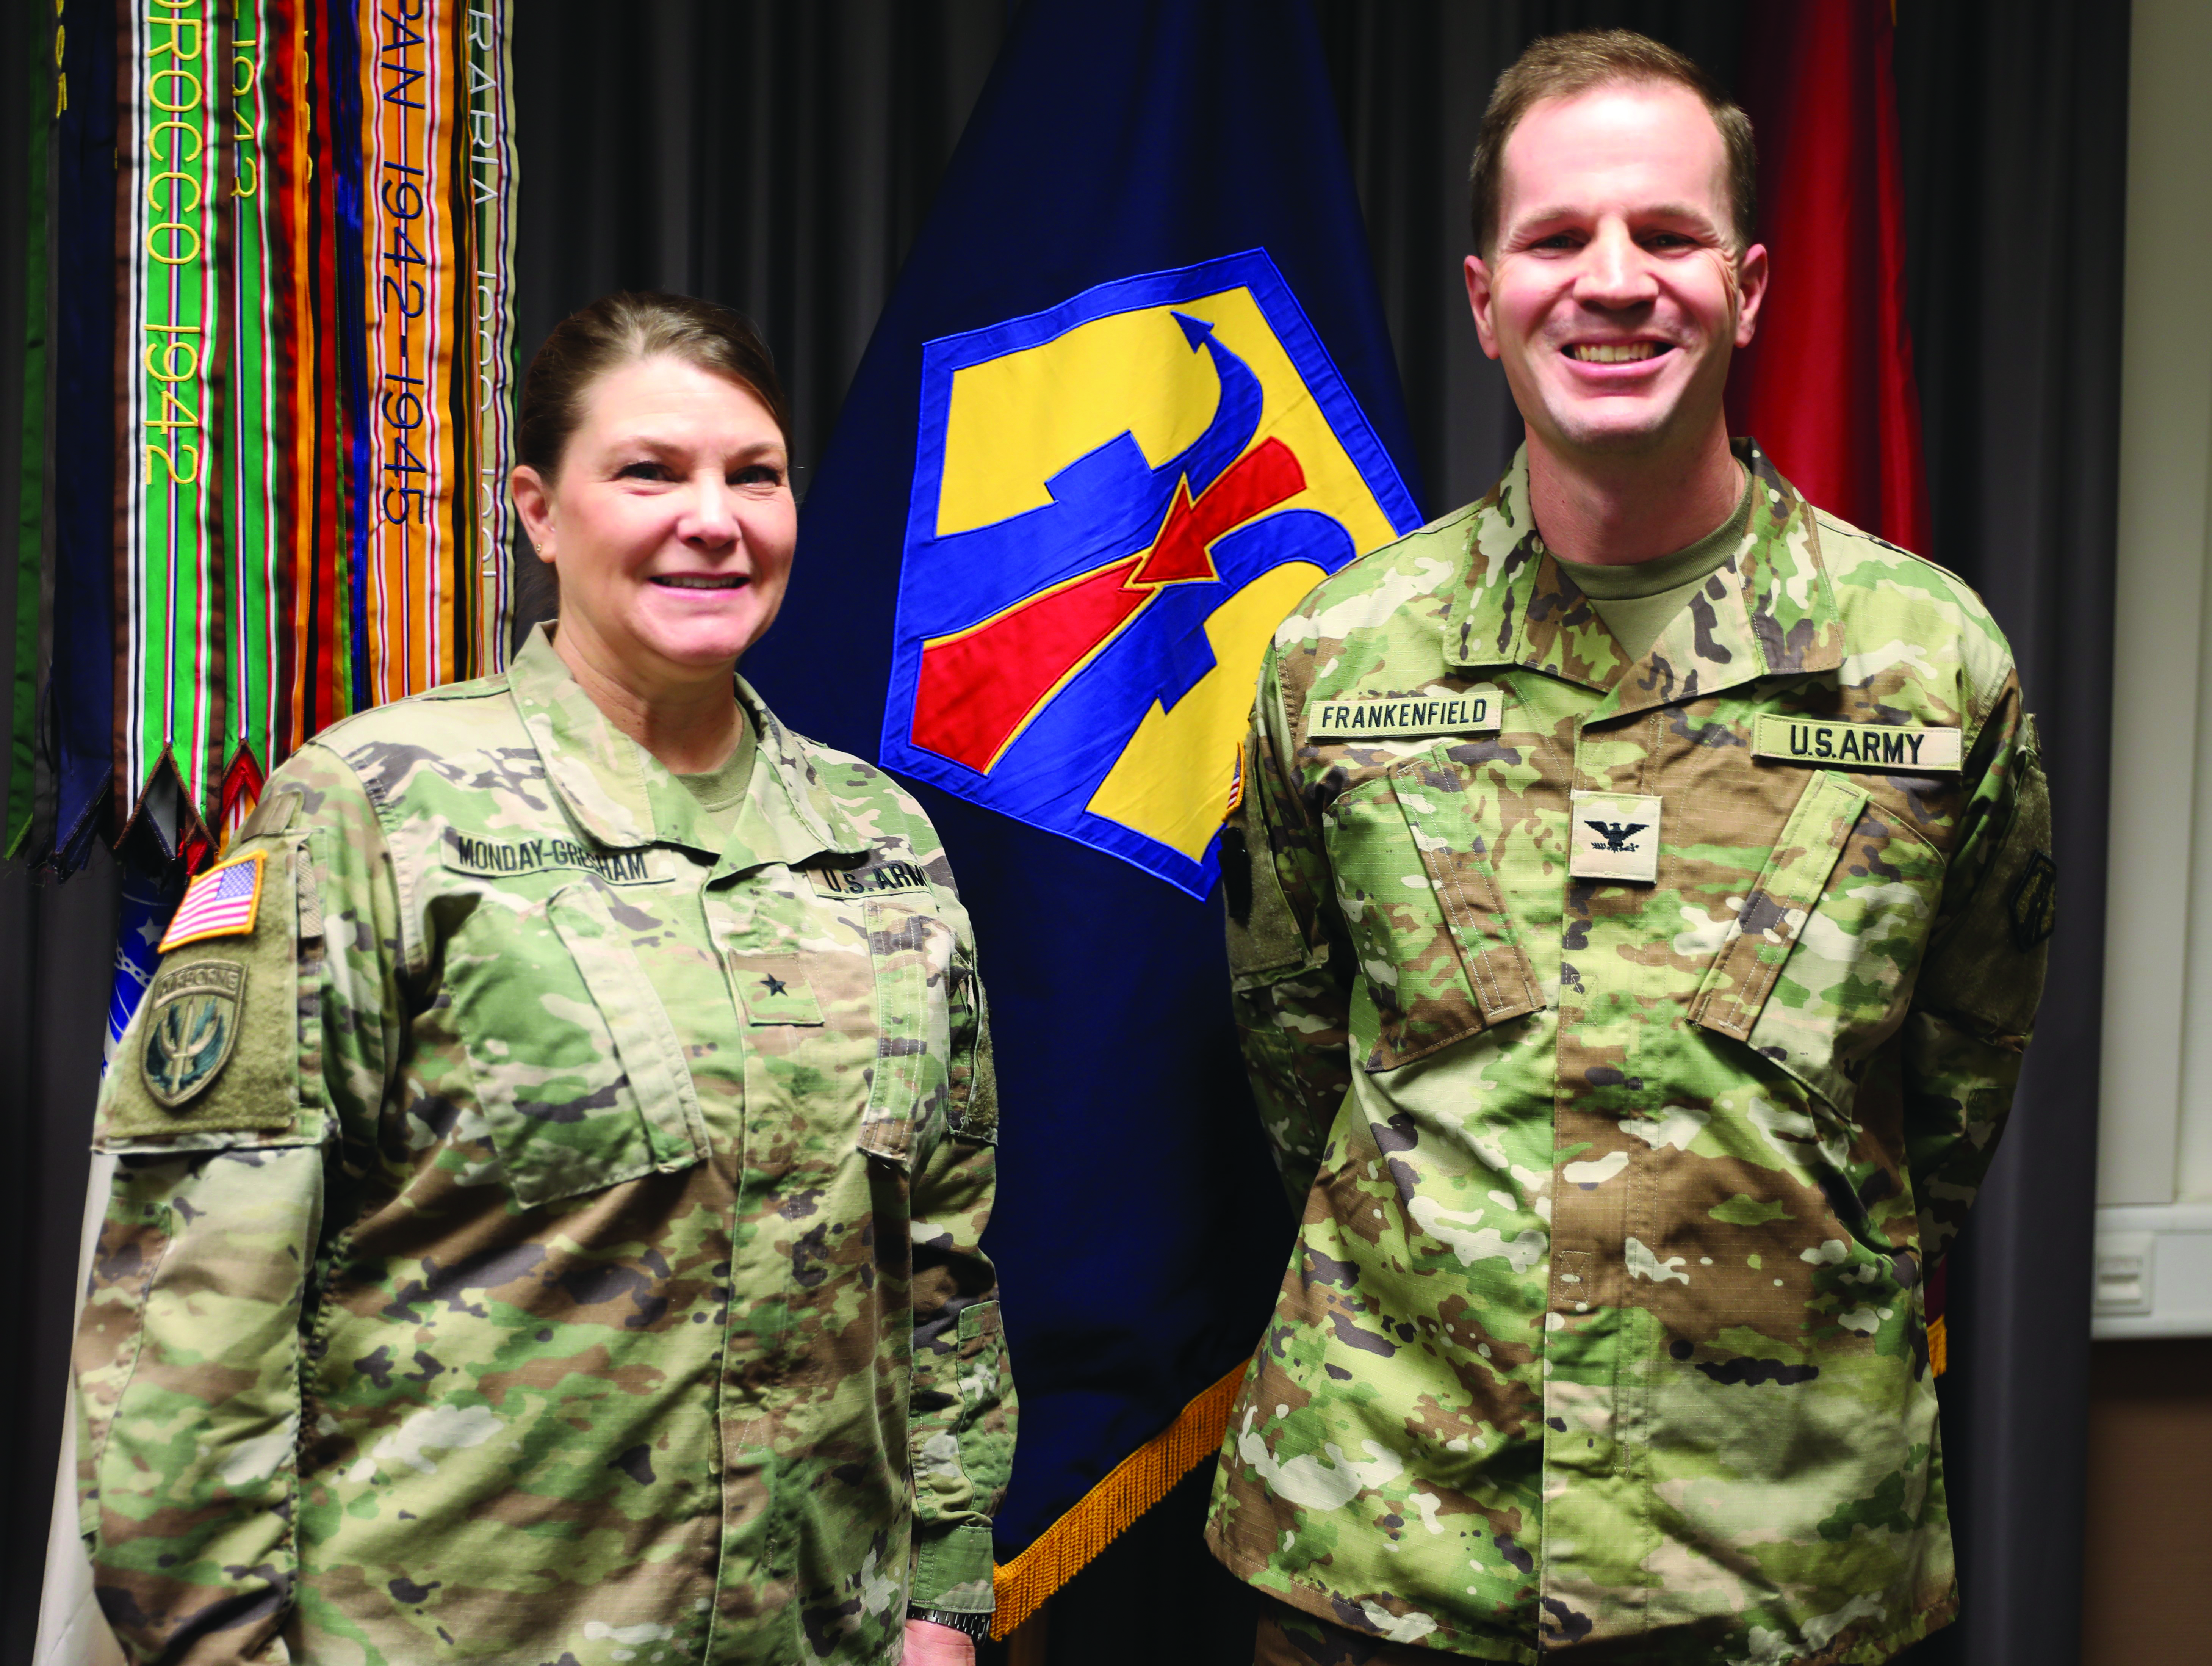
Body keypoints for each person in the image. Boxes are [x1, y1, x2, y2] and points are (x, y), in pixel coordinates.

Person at [1209, 31, 2051, 1666]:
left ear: (1743, 288)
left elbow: (1951, 1090)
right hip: (1395, 1546)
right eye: (1555, 239)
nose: (1611, 282)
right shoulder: (1342, 659)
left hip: (1774, 1563)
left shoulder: (1928, 665)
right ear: (1481, 296)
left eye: (1664, 237)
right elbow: (1299, 1062)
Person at [71, 292, 1010, 1665]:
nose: (715, 518)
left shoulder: (878, 841)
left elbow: (936, 1263)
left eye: (754, 474)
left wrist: (940, 1596)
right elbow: (194, 1306)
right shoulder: (371, 810)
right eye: (649, 472)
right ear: (537, 510)